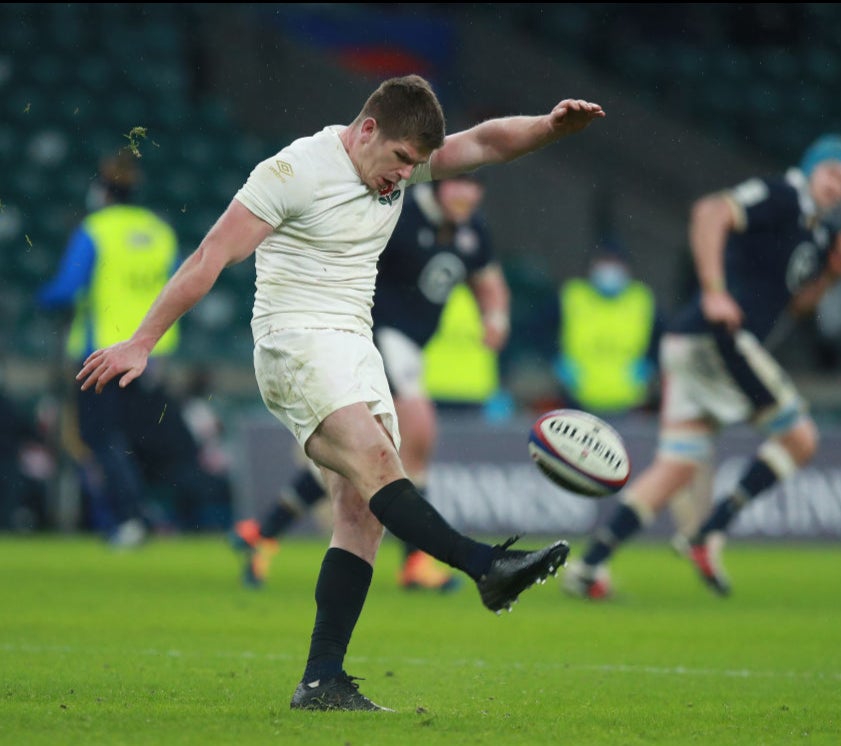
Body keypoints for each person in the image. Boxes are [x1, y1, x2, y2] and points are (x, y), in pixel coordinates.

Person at [77, 74, 604, 711]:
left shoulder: (402, 164)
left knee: (360, 511)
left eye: (417, 166)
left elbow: (488, 144)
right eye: (401, 160)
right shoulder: (294, 169)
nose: (405, 176)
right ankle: (484, 567)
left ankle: (323, 678)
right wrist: (142, 340)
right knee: (382, 465)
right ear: (366, 130)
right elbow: (211, 255)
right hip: (293, 340)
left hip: (355, 344)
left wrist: (549, 127)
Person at [561, 133, 841, 600]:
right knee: (801, 438)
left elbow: (797, 304)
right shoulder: (782, 195)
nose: (838, 186)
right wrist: (714, 289)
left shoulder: (819, 232)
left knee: (676, 467)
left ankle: (587, 566)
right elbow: (709, 211)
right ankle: (709, 531)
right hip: (719, 340)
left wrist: (832, 275)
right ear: (811, 168)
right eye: (832, 173)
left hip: (689, 344)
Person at [231, 172, 511, 593]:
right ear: (439, 186)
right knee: (417, 430)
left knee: (361, 456)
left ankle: (264, 531)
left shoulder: (472, 229)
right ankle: (417, 561)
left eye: (474, 185)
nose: (466, 193)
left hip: (409, 347)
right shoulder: (404, 214)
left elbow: (488, 281)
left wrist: (495, 317)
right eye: (458, 183)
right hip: (374, 337)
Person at [37, 151, 227, 546]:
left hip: (103, 355)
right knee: (143, 439)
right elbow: (183, 283)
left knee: (100, 438)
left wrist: (43, 299)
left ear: (102, 192)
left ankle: (129, 519)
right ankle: (166, 515)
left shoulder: (96, 230)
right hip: (152, 357)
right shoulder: (159, 231)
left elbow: (66, 290)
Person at [553, 237, 662, 416]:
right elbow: (538, 331)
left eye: (615, 263)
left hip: (630, 405)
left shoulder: (641, 300)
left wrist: (651, 364)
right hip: (578, 402)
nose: (609, 270)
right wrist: (557, 361)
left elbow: (664, 337)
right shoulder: (573, 296)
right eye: (604, 262)